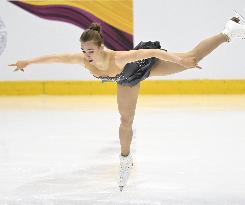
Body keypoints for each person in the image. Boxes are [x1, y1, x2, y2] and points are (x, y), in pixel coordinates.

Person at [8, 11, 245, 191]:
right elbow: (55, 58)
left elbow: (154, 54)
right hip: (126, 81)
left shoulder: (119, 57)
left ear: (101, 47)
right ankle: (125, 160)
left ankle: (228, 31)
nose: (86, 56)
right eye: (83, 51)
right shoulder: (84, 61)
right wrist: (27, 62)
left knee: (192, 56)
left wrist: (180, 61)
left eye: (90, 50)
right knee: (125, 119)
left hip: (144, 67)